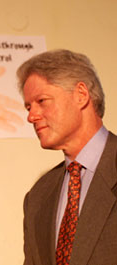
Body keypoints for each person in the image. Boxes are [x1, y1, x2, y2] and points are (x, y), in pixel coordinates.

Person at [17, 49, 117, 265]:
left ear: (81, 95)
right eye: (28, 106)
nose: (31, 116)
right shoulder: (37, 197)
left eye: (41, 101)